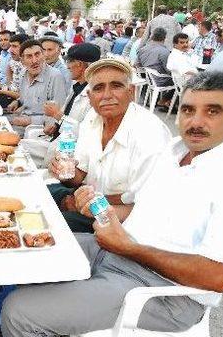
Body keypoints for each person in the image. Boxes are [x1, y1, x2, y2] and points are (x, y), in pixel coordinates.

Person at [1, 71, 223, 337]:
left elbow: (217, 278)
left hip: (164, 294)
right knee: (28, 250)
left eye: (212, 111)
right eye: (188, 110)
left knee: (19, 312)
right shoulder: (176, 151)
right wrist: (98, 207)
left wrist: (130, 248)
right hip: (122, 253)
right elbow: (137, 208)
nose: (196, 122)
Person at [46, 58, 171, 233]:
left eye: (116, 86)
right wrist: (64, 172)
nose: (107, 95)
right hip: (89, 198)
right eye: (98, 88)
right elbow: (79, 174)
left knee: (52, 225)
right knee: (40, 193)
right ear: (90, 97)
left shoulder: (149, 132)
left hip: (125, 218)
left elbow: (146, 201)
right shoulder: (92, 119)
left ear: (131, 91)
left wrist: (82, 202)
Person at [43, 43, 101, 139]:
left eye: (69, 62)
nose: (67, 66)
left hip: (72, 148)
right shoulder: (76, 87)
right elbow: (67, 115)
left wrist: (57, 115)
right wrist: (56, 125)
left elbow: (86, 132)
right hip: (58, 141)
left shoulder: (94, 95)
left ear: (80, 65)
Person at [7, 39, 68, 130]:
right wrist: (18, 101)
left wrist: (30, 120)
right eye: (29, 56)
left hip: (39, 129)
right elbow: (29, 97)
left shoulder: (55, 76)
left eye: (37, 54)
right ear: (22, 61)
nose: (34, 60)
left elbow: (58, 114)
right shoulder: (23, 73)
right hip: (21, 118)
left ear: (43, 55)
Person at [0, 33, 29, 108]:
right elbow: (10, 85)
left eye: (14, 46)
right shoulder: (13, 62)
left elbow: (24, 96)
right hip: (11, 97)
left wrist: (2, 91)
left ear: (25, 48)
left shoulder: (31, 67)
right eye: (10, 46)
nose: (10, 50)